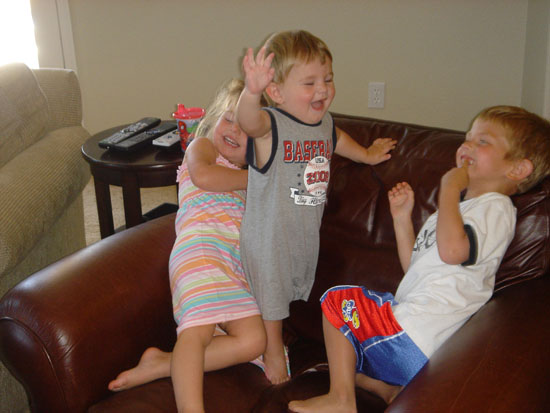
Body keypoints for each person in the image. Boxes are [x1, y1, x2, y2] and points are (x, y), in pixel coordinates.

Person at [288, 105, 550, 413]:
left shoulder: (495, 207)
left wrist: (449, 189)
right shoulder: (456, 212)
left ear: (518, 169)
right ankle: (386, 389)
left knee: (338, 301)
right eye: (467, 138)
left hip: (417, 334)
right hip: (414, 349)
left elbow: (452, 252)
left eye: (483, 141)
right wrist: (402, 220)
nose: (467, 145)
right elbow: (416, 268)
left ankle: (341, 399)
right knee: (344, 356)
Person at [236, 30, 396, 384]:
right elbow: (249, 121)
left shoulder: (323, 122)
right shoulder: (271, 126)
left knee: (290, 286)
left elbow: (336, 138)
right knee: (273, 291)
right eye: (309, 83)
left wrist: (366, 154)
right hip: (269, 236)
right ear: (277, 92)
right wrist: (252, 92)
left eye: (328, 79)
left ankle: (263, 331)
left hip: (303, 231)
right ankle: (273, 349)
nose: (322, 89)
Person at [109, 78, 268, 413]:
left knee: (255, 340)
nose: (233, 130)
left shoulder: (247, 180)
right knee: (197, 335)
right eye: (228, 119)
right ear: (215, 118)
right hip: (199, 253)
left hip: (230, 264)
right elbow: (205, 178)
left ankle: (162, 364)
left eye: (245, 130)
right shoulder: (203, 149)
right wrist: (260, 180)